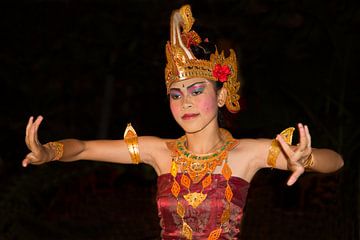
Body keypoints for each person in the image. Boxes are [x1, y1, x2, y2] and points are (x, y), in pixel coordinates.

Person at [22, 5, 343, 240]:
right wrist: (49, 152)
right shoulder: (158, 151)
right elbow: (81, 149)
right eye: (175, 94)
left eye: (196, 90)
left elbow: (337, 161)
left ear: (220, 96)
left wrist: (308, 158)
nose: (185, 101)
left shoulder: (247, 153)